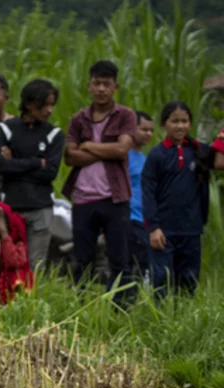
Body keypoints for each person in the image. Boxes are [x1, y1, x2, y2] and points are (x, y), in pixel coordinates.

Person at [63, 61, 137, 301]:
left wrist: (88, 145)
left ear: (115, 87)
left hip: (114, 198)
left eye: (106, 84)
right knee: (82, 259)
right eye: (97, 83)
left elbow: (122, 150)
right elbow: (70, 156)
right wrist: (106, 148)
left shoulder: (125, 115)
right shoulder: (78, 119)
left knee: (119, 259)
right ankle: (80, 307)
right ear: (89, 86)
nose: (101, 89)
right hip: (83, 198)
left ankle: (120, 309)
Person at [142, 102, 222, 297]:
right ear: (164, 125)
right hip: (163, 230)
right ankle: (161, 321)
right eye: (174, 121)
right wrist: (153, 227)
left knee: (188, 279)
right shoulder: (156, 155)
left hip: (191, 229)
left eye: (184, 121)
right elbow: (148, 192)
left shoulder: (199, 152)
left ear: (190, 124)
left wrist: (221, 138)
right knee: (161, 278)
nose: (180, 126)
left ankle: (183, 321)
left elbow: (219, 162)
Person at [0, 79, 64, 271]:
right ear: (29, 104)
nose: (49, 110)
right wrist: (35, 162)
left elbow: (50, 172)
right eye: (44, 105)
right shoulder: (6, 129)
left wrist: (14, 162)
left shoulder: (54, 134)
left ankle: (32, 301)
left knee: (36, 265)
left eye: (52, 105)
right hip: (12, 206)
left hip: (41, 207)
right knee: (11, 262)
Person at [0, 202, 33, 315]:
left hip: (3, 294)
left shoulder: (16, 240)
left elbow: (13, 261)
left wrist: (3, 233)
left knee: (17, 274)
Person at [128, 111, 154, 281]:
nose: (148, 134)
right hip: (129, 216)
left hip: (144, 218)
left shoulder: (144, 158)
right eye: (143, 129)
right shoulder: (123, 156)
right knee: (134, 263)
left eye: (151, 130)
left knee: (143, 263)